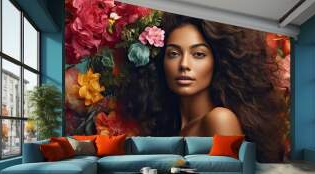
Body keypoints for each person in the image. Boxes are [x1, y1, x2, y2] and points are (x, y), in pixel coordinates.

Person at [120, 13, 288, 162]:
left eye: (198, 54)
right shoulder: (172, 126)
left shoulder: (220, 120)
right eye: (173, 54)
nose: (184, 64)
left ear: (217, 62)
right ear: (161, 63)